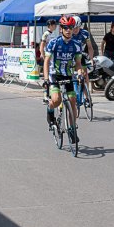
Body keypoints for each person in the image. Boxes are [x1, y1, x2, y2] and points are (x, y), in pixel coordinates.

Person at [43, 15, 85, 144]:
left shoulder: (76, 44)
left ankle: (72, 129)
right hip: (54, 74)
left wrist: (79, 73)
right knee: (56, 100)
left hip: (67, 75)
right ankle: (50, 111)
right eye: (65, 28)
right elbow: (46, 62)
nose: (68, 30)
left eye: (71, 27)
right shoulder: (54, 43)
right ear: (61, 29)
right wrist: (46, 79)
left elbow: (78, 63)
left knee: (73, 102)